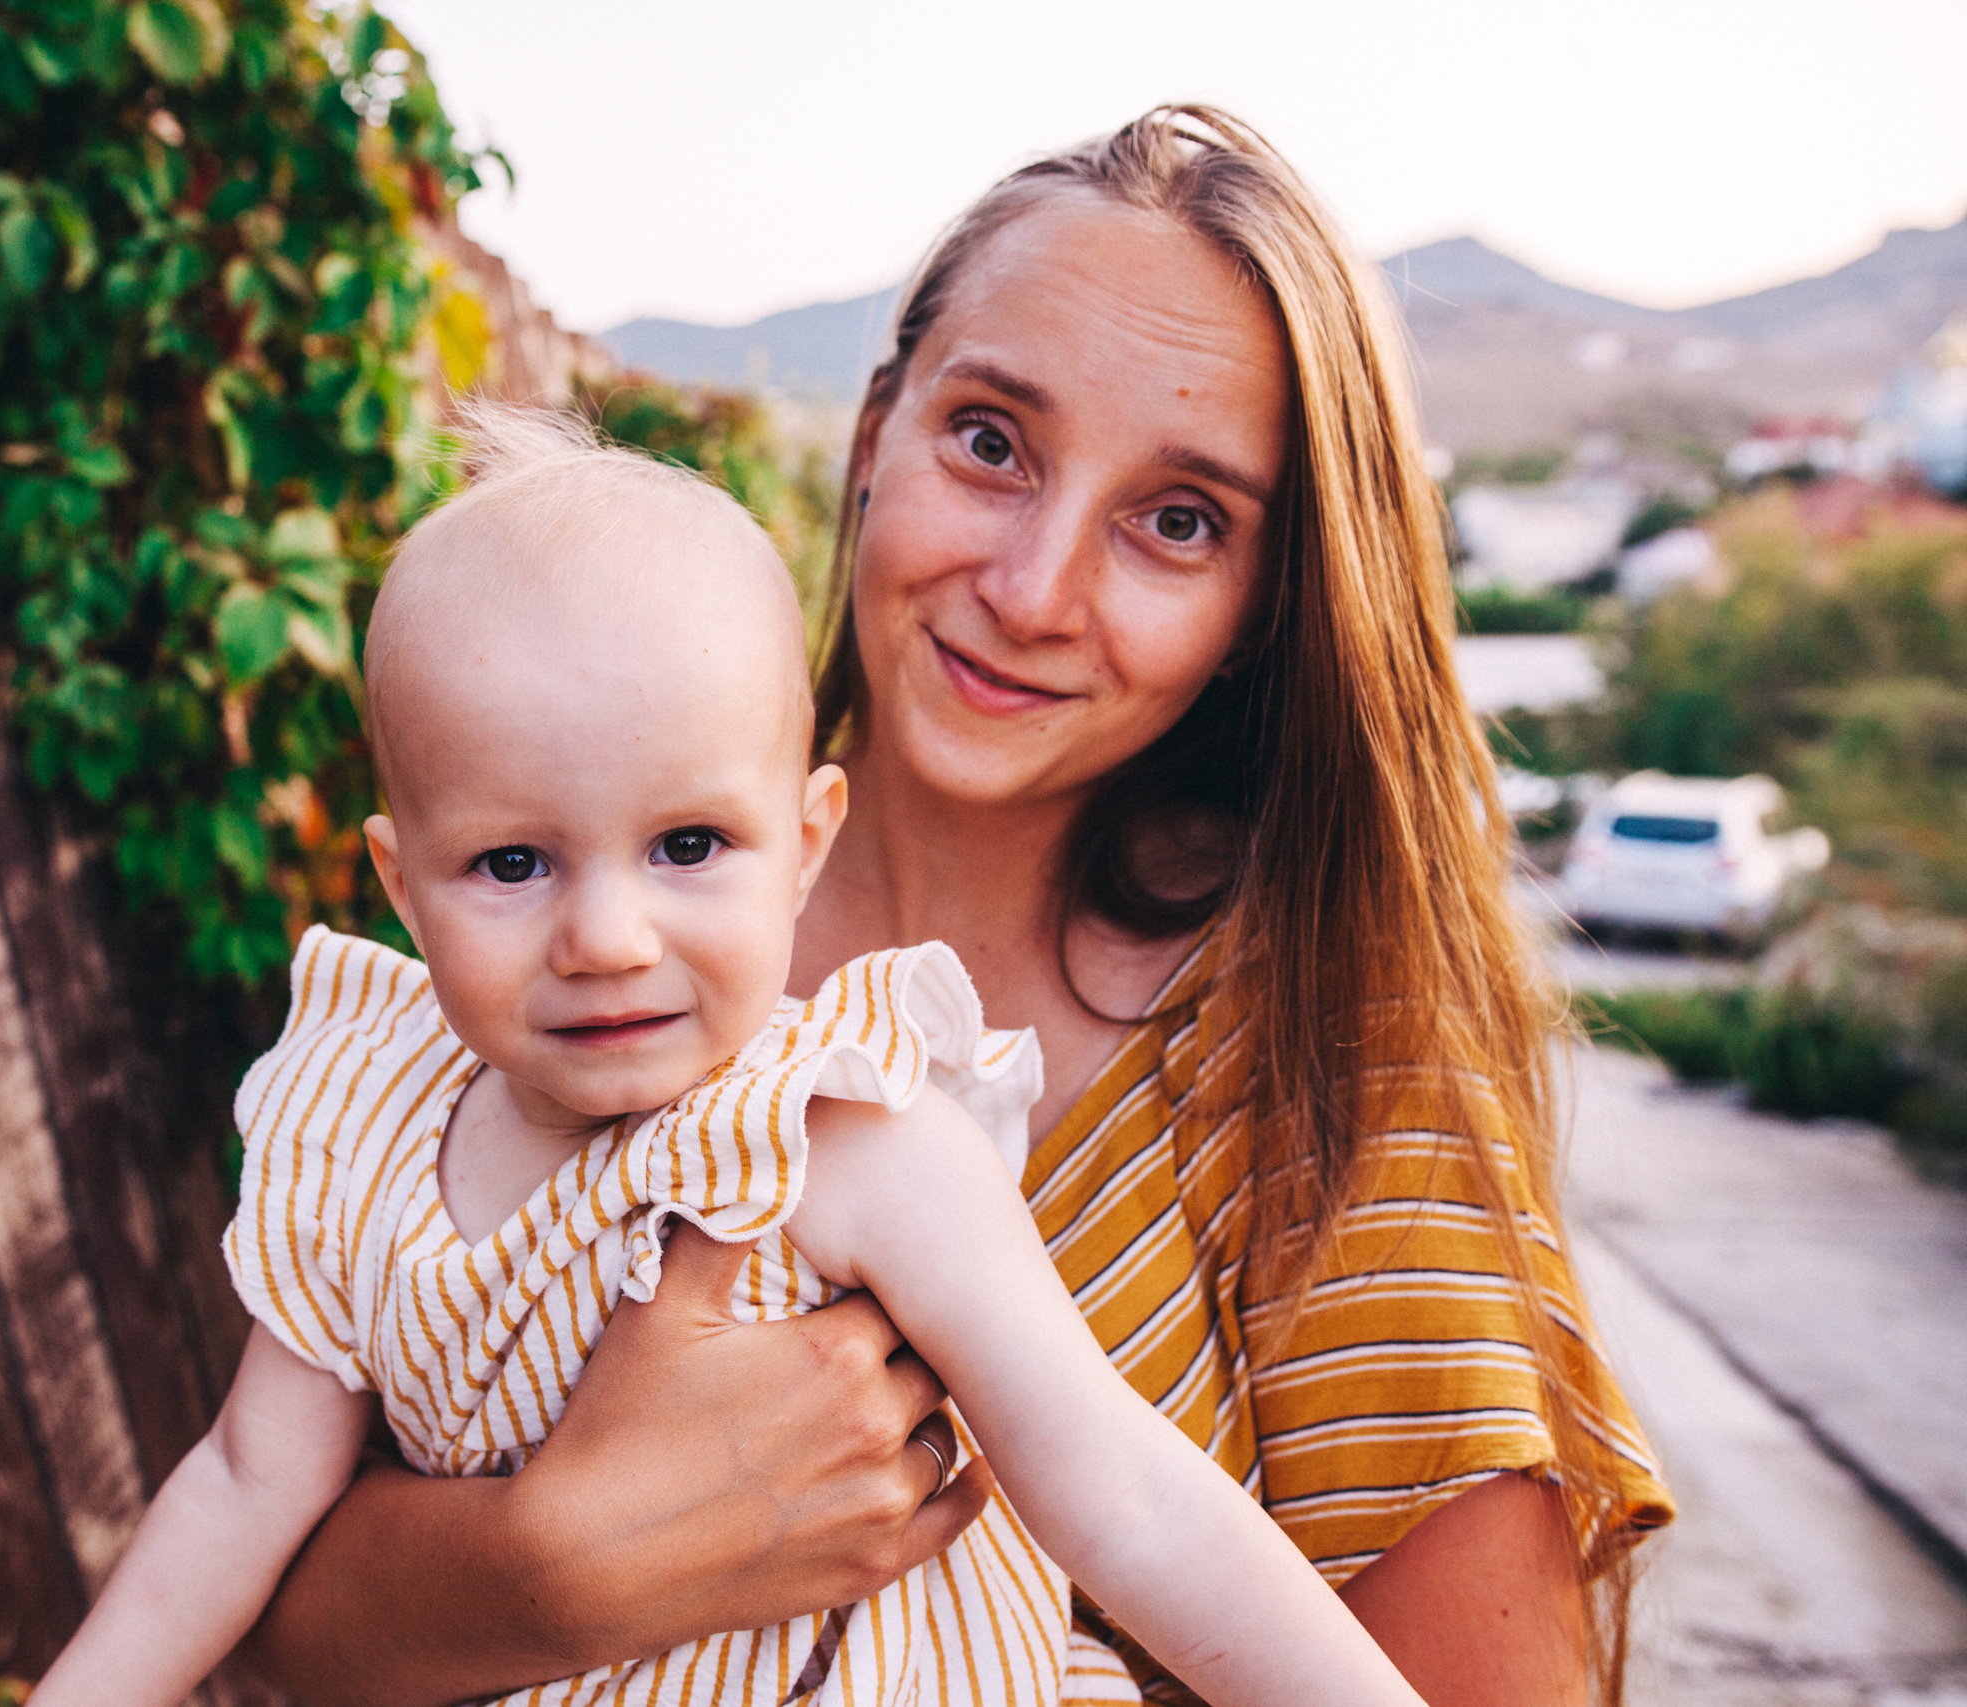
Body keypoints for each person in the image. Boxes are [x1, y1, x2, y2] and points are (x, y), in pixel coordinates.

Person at [253, 107, 1673, 1706]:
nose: (1034, 587)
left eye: (1178, 520)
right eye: (992, 442)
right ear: (876, 432)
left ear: (1261, 606)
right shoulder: (565, 922)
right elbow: (289, 1608)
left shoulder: (1315, 1062)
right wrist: (566, 1558)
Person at [30, 410, 1437, 1707]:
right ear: (402, 890)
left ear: (805, 841)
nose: (606, 936)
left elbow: (1123, 1491)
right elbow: (241, 1484)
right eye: (511, 862)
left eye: (688, 847)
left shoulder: (846, 1132)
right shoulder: (363, 1141)